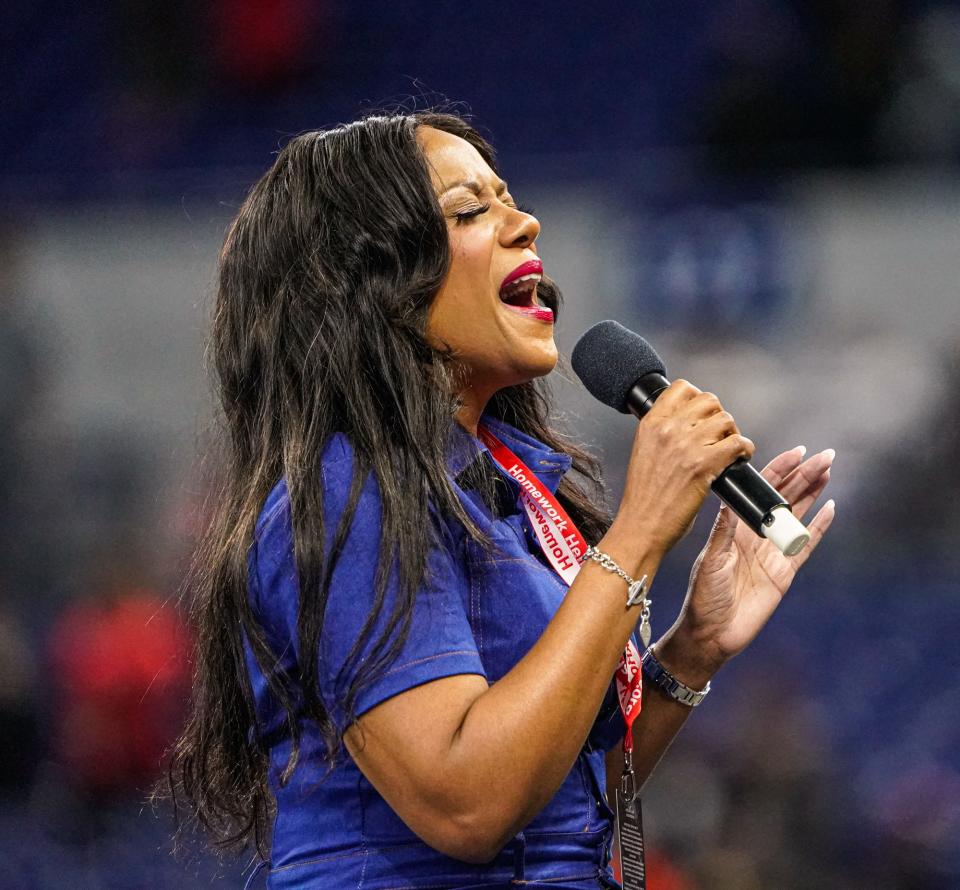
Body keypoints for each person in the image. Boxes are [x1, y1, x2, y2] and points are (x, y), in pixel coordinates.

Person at [167, 111, 835, 889]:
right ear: (368, 279)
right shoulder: (347, 489)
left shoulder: (506, 485)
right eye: (469, 210)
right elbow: (467, 809)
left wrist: (692, 647)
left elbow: (555, 794)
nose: (526, 224)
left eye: (508, 198)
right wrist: (641, 532)